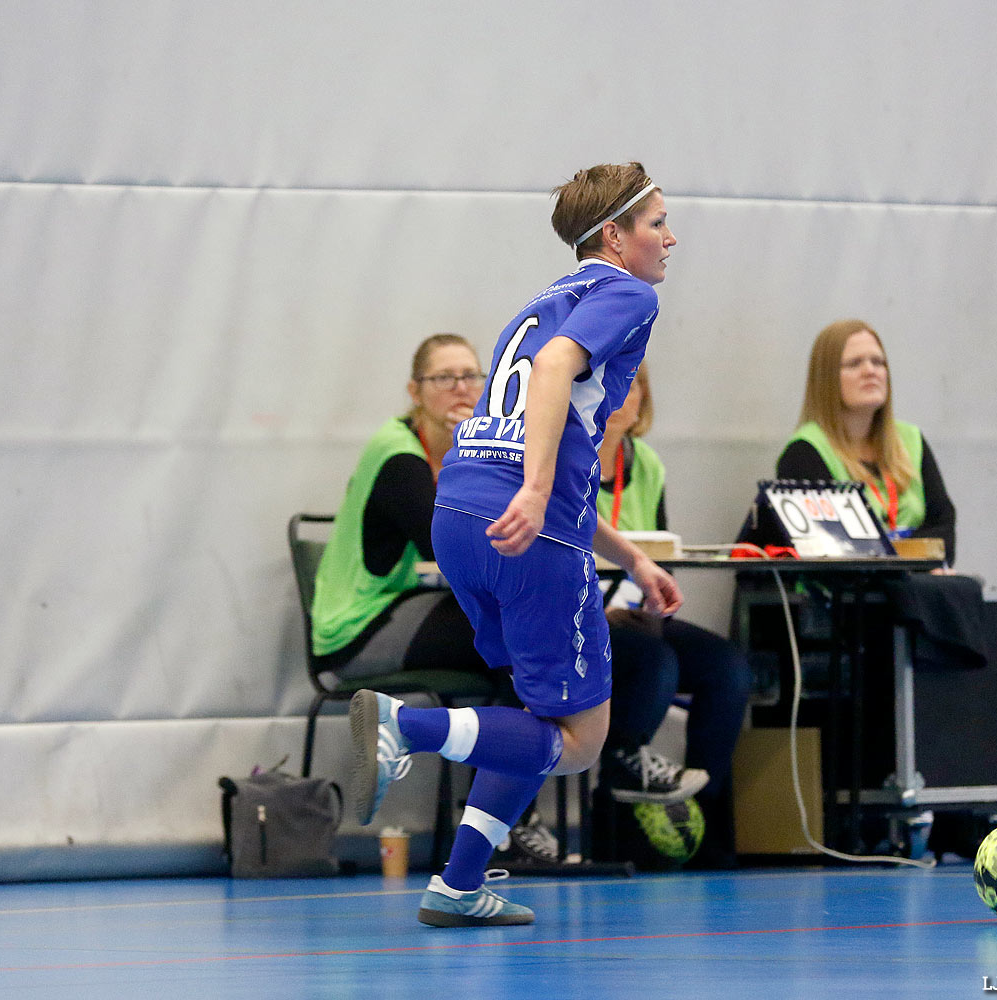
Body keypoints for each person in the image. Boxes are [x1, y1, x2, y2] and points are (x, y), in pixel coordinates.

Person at [350, 162, 683, 927]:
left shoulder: (538, 304)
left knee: (532, 719)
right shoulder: (629, 294)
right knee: (580, 738)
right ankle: (408, 726)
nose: (669, 237)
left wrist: (629, 555)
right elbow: (558, 373)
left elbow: (533, 422)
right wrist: (535, 493)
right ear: (614, 235)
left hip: (461, 512)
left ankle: (458, 886)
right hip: (523, 529)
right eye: (656, 222)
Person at [775, 319, 997, 806]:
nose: (872, 371)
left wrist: (907, 554)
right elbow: (839, 550)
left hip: (924, 599)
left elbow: (944, 527)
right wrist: (913, 555)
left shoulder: (909, 441)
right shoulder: (806, 452)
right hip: (858, 615)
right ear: (827, 377)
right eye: (855, 363)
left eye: (879, 361)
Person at [308, 333, 559, 866]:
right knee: (514, 643)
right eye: (443, 379)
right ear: (414, 391)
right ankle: (504, 821)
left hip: (406, 611)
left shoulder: (460, 452)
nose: (461, 390)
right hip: (358, 634)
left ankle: (500, 819)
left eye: (471, 377)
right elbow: (453, 547)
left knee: (517, 643)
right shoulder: (398, 454)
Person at [596, 365, 753, 868]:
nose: (626, 392)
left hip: (631, 612)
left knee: (728, 669)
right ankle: (619, 802)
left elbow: (658, 552)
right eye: (612, 380)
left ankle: (700, 822)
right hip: (580, 612)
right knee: (654, 662)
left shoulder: (647, 465)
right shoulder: (561, 459)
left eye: (635, 381)